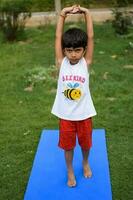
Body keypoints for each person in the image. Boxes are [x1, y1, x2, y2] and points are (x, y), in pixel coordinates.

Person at [51, 5, 97, 187]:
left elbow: (91, 37)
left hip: (84, 114)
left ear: (84, 50)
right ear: (64, 51)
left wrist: (87, 13)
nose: (73, 54)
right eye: (69, 50)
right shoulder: (61, 63)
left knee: (86, 145)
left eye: (77, 50)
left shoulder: (86, 63)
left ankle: (85, 162)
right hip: (66, 116)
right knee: (68, 146)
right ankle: (70, 171)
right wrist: (63, 14)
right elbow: (57, 37)